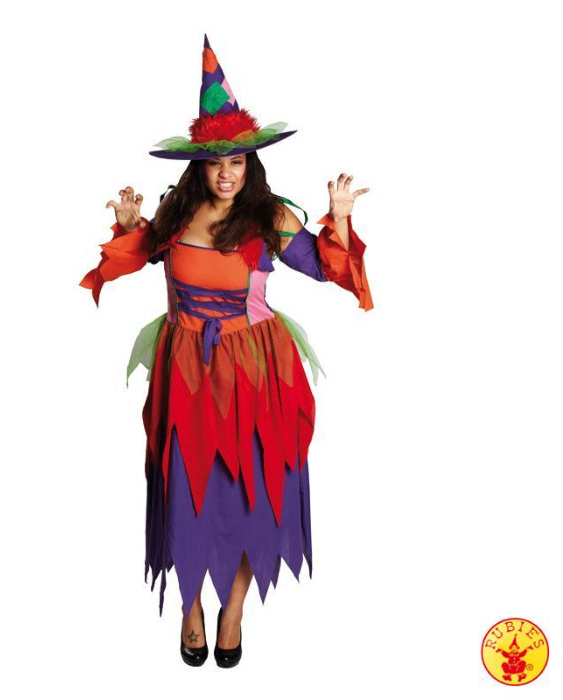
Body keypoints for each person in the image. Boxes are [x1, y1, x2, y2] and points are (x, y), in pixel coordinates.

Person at [79, 35, 373, 668]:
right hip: (186, 369)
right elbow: (137, 256)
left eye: (237, 161)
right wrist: (129, 228)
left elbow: (329, 270)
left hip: (255, 372)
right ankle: (189, 607)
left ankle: (233, 610)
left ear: (250, 164)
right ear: (198, 168)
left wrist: (341, 219)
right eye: (215, 163)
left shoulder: (270, 218)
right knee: (187, 488)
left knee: (251, 492)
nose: (226, 174)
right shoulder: (174, 213)